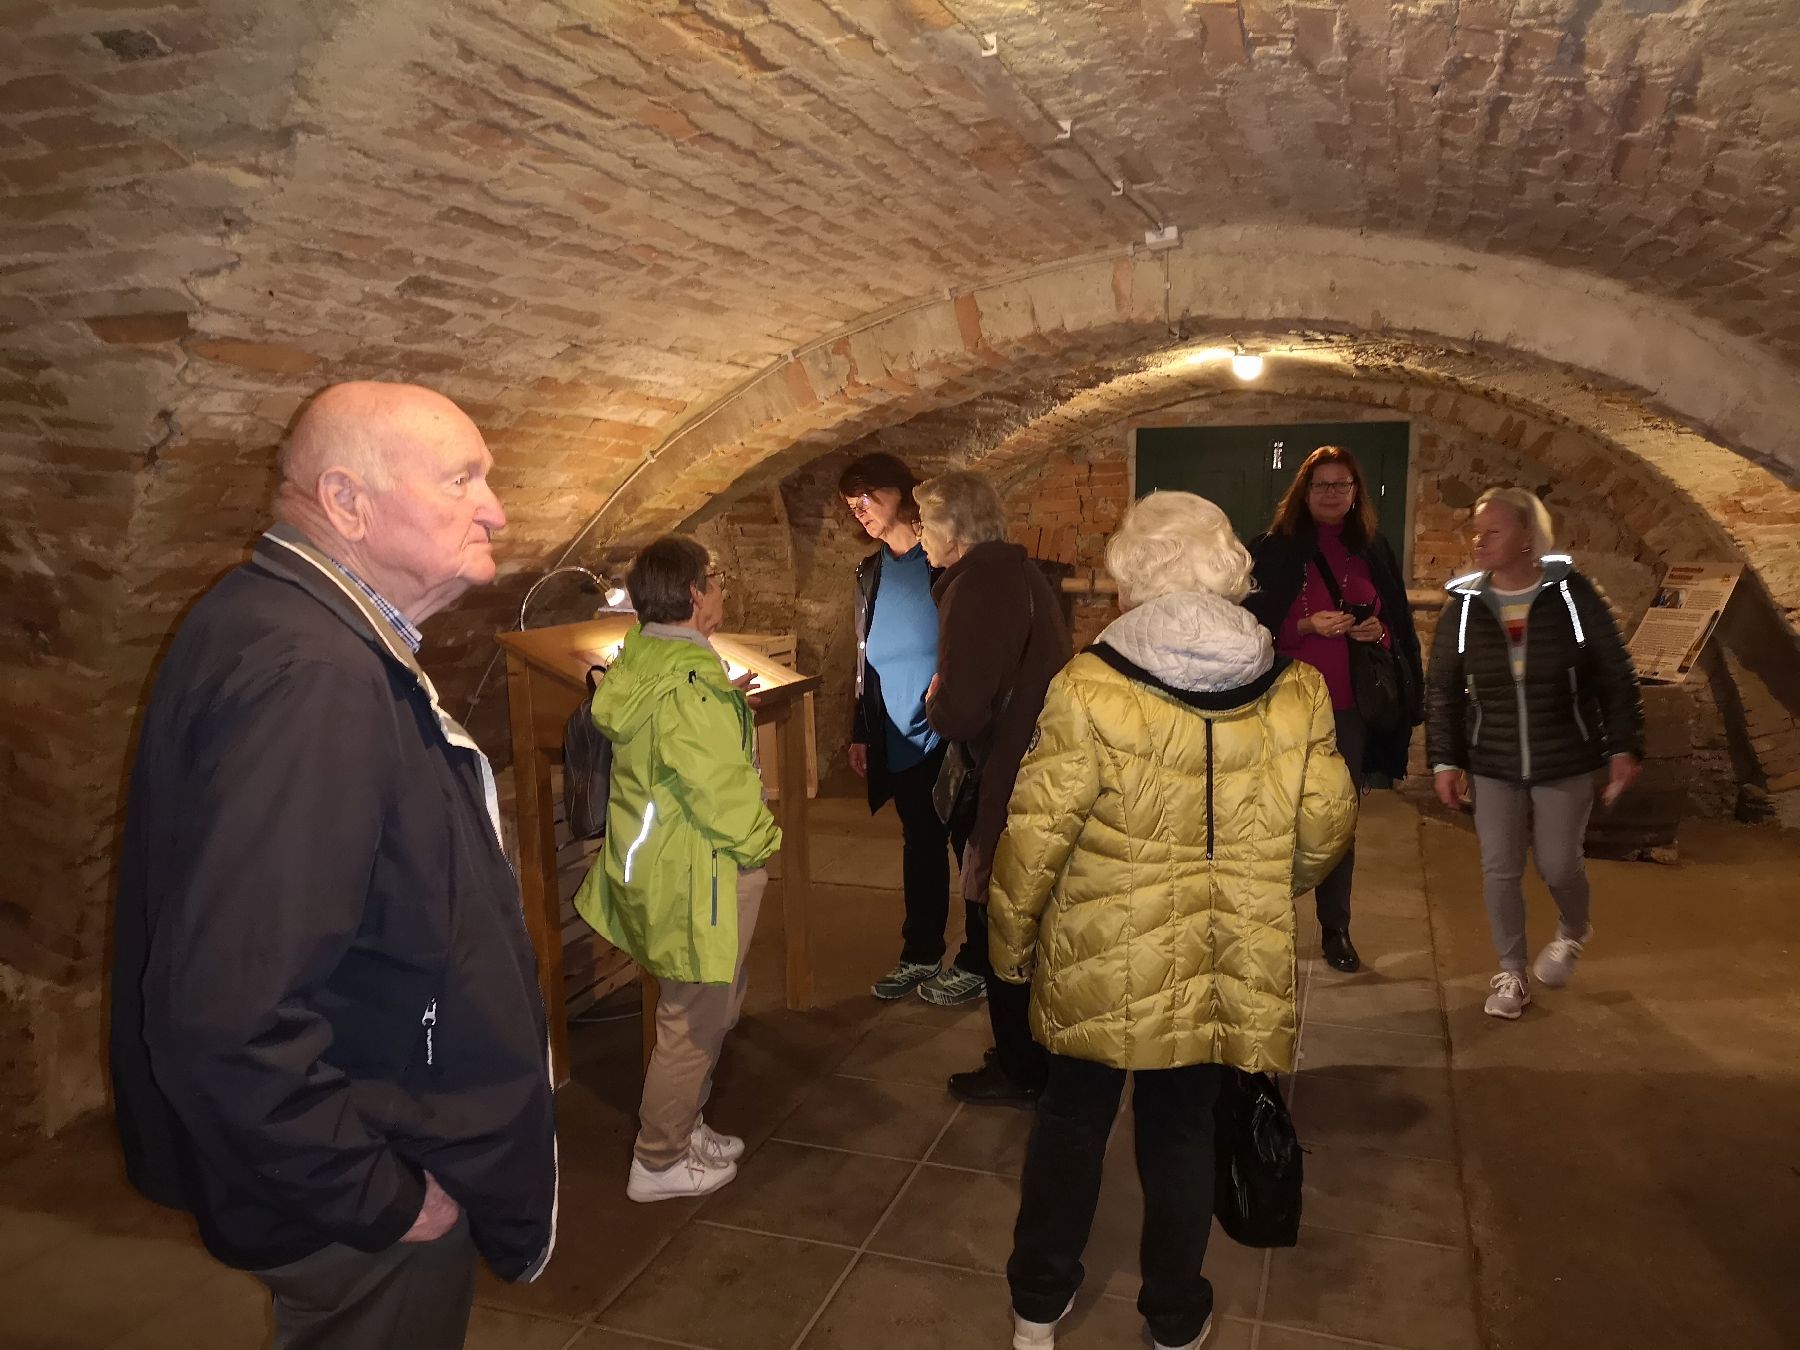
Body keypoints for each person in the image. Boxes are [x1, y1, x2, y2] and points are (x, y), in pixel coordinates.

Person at [110, 382, 557, 1350]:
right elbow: (225, 1013)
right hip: (355, 1198)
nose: (496, 510)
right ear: (348, 502)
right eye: (463, 480)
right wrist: (382, 1197)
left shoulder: (295, 624)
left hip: (352, 1135)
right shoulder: (314, 678)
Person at [990, 491, 1358, 1350]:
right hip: (1222, 951)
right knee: (1184, 1129)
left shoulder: (1089, 685)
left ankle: (1038, 1307)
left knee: (1071, 1124)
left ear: (1132, 580)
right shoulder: (1296, 689)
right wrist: (1258, 885)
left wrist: (1011, 949)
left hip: (1097, 952)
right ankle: (1174, 1316)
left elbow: (1035, 835)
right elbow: (1326, 826)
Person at [575, 535, 782, 1201]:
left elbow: (677, 743)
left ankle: (683, 1125)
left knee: (705, 1007)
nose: (720, 590)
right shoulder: (689, 684)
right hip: (703, 873)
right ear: (695, 593)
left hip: (668, 864)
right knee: (692, 1021)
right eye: (715, 580)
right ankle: (658, 1160)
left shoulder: (650, 657)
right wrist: (763, 842)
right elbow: (718, 789)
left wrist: (725, 704)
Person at [1426, 487, 1644, 1020]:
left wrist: (1623, 746)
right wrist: (1446, 761)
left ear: (1527, 537)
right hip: (1492, 758)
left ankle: (1573, 930)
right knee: (1499, 868)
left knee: (1557, 863)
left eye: (1493, 531)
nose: (1479, 541)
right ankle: (1511, 973)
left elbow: (1615, 674)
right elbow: (1443, 691)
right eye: (1476, 531)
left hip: (1564, 754)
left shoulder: (1572, 597)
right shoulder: (1464, 608)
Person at [915, 470, 1071, 1109]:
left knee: (1001, 919)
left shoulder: (975, 586)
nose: (920, 537)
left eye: (925, 525)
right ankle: (1031, 1051)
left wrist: (935, 699)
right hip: (1035, 769)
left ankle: (1020, 1066)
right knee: (1022, 916)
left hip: (1004, 777)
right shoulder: (1022, 574)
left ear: (954, 531)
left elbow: (962, 709)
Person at [1247, 445, 1423, 973]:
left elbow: (1396, 624)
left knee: (1337, 819)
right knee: (1271, 816)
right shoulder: (1272, 550)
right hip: (1282, 705)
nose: (1330, 494)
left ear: (1355, 493)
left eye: (1341, 485)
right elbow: (1246, 626)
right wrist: (1302, 626)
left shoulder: (1372, 549)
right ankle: (1262, 924)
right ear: (1304, 491)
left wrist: (1378, 631)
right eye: (1320, 484)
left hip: (1346, 709)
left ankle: (1336, 927)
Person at [842, 454, 983, 1007]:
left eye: (866, 498)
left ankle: (980, 958)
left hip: (951, 732)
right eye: (851, 505)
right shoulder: (870, 573)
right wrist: (861, 728)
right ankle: (920, 953)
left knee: (970, 847)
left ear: (901, 493)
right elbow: (865, 659)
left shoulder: (944, 559)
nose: (859, 511)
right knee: (919, 845)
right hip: (898, 733)